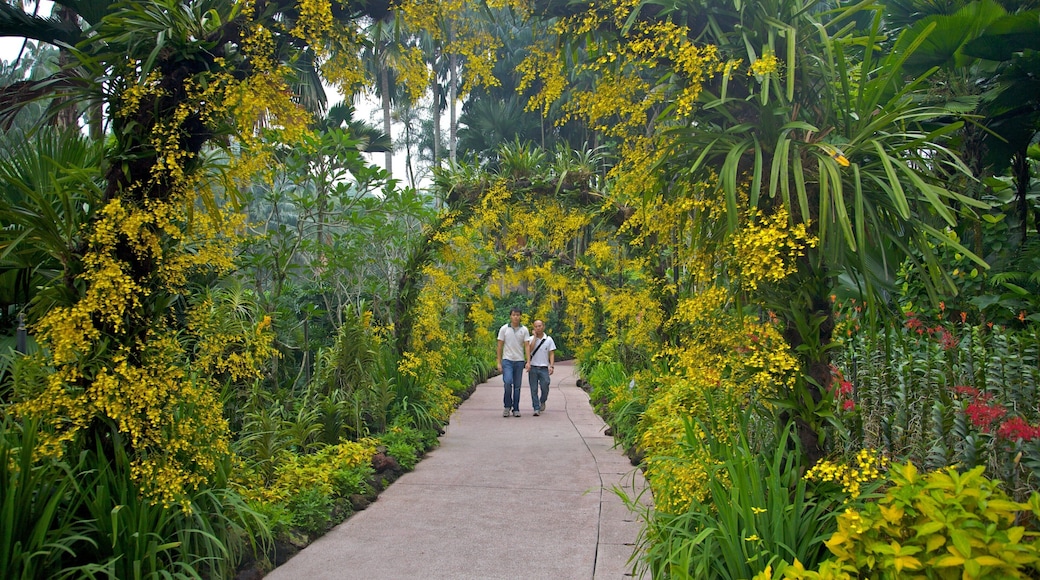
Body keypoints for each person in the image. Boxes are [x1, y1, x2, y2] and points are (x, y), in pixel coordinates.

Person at [497, 307, 530, 417]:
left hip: (519, 361)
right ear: (510, 316)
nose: (516, 317)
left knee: (517, 386)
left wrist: (528, 361)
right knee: (507, 382)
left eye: (518, 315)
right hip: (507, 360)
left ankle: (516, 408)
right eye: (514, 315)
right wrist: (499, 362)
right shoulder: (504, 329)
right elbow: (499, 346)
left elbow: (527, 346)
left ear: (520, 316)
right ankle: (507, 406)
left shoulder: (524, 330)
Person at [525, 319, 556, 416]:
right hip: (533, 367)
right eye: (536, 326)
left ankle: (542, 400)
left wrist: (551, 366)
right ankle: (536, 408)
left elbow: (551, 353)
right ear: (533, 328)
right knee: (533, 389)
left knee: (545, 385)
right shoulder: (530, 339)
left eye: (540, 326)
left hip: (543, 367)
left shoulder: (549, 339)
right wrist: (534, 337)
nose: (538, 328)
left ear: (543, 326)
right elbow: (530, 349)